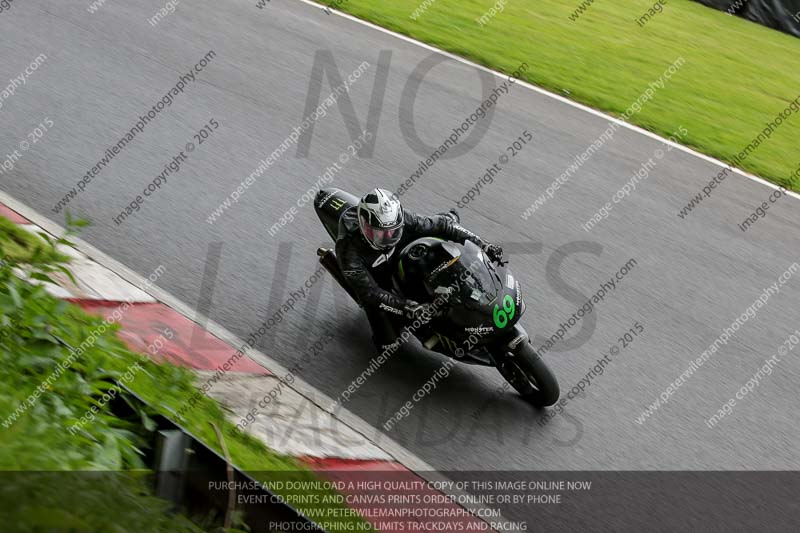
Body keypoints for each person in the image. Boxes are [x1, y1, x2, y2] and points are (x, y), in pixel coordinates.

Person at [334, 188, 503, 352]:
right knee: (387, 346)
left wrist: (483, 244)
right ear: (365, 227)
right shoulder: (348, 249)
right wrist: (406, 306)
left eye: (392, 231)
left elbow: (441, 225)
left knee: (444, 227)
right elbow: (370, 293)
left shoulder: (402, 218)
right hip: (376, 276)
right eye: (379, 233)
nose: (388, 238)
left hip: (406, 256)